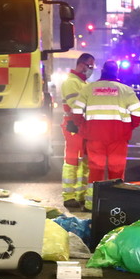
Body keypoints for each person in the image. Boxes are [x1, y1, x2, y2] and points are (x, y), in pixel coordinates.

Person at [70, 60, 140, 211]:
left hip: (94, 137)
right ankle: (113, 205)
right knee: (116, 172)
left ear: (102, 71)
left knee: (95, 170)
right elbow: (138, 114)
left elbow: (76, 112)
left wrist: (83, 126)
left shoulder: (89, 89)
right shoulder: (125, 90)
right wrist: (128, 127)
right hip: (118, 137)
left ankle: (92, 204)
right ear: (116, 72)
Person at [59, 53, 95, 210]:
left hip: (83, 127)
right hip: (73, 126)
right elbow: (76, 106)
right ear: (82, 65)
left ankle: (80, 195)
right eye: (90, 66)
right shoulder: (71, 82)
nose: (91, 69)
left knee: (84, 162)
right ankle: (69, 196)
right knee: (72, 161)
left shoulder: (82, 82)